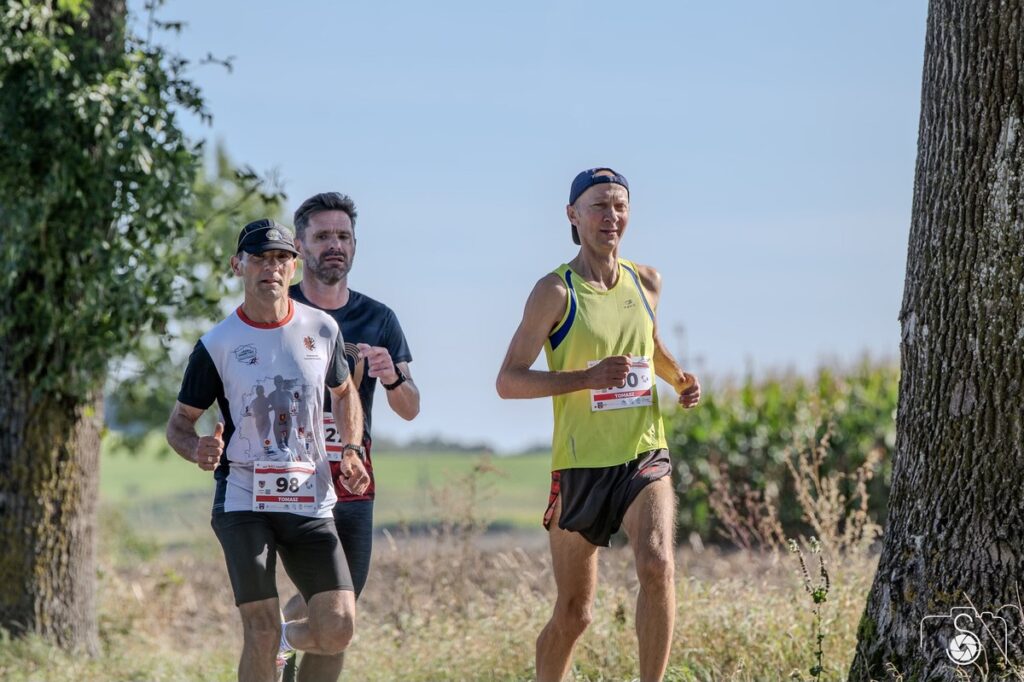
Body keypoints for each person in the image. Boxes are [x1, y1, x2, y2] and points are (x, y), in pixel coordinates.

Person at [495, 168, 701, 682]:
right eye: (599, 206)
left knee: (657, 565)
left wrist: (678, 379)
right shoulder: (554, 291)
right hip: (580, 464)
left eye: (620, 206)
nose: (611, 217)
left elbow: (647, 345)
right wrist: (586, 378)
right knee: (574, 614)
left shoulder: (645, 280)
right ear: (573, 215)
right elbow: (508, 380)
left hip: (642, 452)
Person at [166, 219, 371, 682]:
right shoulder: (217, 345)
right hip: (244, 501)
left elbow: (343, 393)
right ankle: (269, 641)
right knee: (256, 631)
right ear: (238, 264)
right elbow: (178, 424)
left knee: (338, 628)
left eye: (280, 259)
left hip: (309, 499)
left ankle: (285, 639)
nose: (270, 268)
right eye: (259, 258)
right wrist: (195, 447)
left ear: (294, 267)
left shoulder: (321, 329)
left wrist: (352, 448)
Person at [281, 192, 420, 681]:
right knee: (329, 600)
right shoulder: (279, 309)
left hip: (352, 474)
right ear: (300, 248)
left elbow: (409, 409)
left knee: (344, 609)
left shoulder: (379, 318)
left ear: (355, 246)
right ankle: (276, 634)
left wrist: (393, 377)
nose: (334, 245)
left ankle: (280, 635)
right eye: (322, 237)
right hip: (289, 476)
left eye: (343, 236)